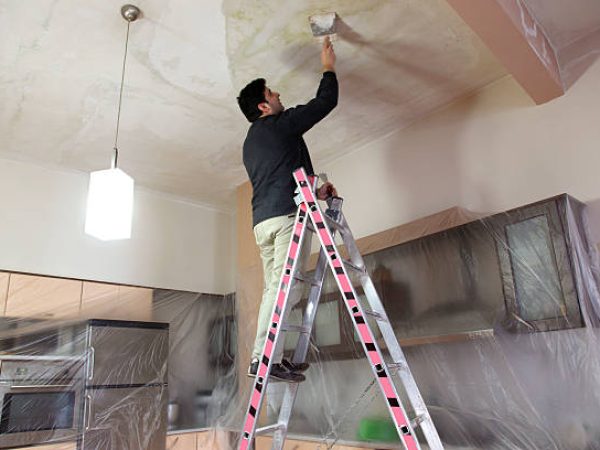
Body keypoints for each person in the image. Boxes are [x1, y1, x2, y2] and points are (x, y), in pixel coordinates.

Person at [237, 37, 339, 382]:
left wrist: (318, 189)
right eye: (273, 94)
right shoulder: (279, 126)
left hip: (263, 222)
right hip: (285, 220)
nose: (278, 95)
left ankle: (270, 357)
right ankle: (262, 359)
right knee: (285, 289)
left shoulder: (251, 144)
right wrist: (327, 66)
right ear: (264, 107)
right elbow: (325, 102)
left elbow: (287, 173)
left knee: (279, 290)